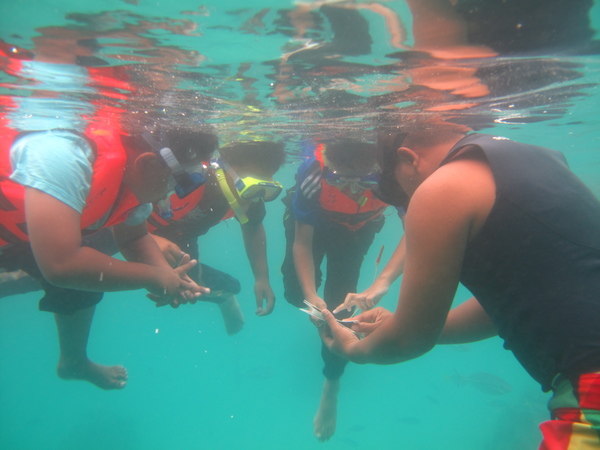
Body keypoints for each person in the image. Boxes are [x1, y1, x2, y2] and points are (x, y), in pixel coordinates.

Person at [317, 120, 600, 448]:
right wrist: (401, 323)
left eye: (400, 190)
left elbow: (410, 340)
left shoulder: (442, 187)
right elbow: (517, 302)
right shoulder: (536, 159)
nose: (408, 202)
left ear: (409, 159)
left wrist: (351, 350)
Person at [0, 118, 215, 390]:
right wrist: (152, 277)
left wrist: (168, 276)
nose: (175, 193)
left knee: (90, 269)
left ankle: (74, 362)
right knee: (82, 266)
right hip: (28, 240)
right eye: (179, 182)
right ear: (147, 164)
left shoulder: (135, 177)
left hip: (22, 236)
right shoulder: (61, 155)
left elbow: (135, 237)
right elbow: (61, 264)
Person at [280, 139, 388, 441]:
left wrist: (383, 282)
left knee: (342, 306)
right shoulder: (313, 175)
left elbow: (416, 229)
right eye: (340, 180)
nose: (353, 189)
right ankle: (322, 321)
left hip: (357, 231)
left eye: (364, 181)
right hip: (315, 225)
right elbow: (302, 243)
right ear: (329, 168)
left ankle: (332, 382)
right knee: (296, 294)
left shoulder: (393, 176)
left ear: (377, 170)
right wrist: (310, 293)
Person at [147, 140, 286, 334]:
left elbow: (252, 226)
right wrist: (150, 241)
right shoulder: (189, 179)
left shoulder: (250, 195)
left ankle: (224, 297)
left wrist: (261, 278)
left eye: (266, 188)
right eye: (250, 187)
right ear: (229, 169)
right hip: (139, 231)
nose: (255, 198)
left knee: (191, 287)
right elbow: (125, 213)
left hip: (183, 238)